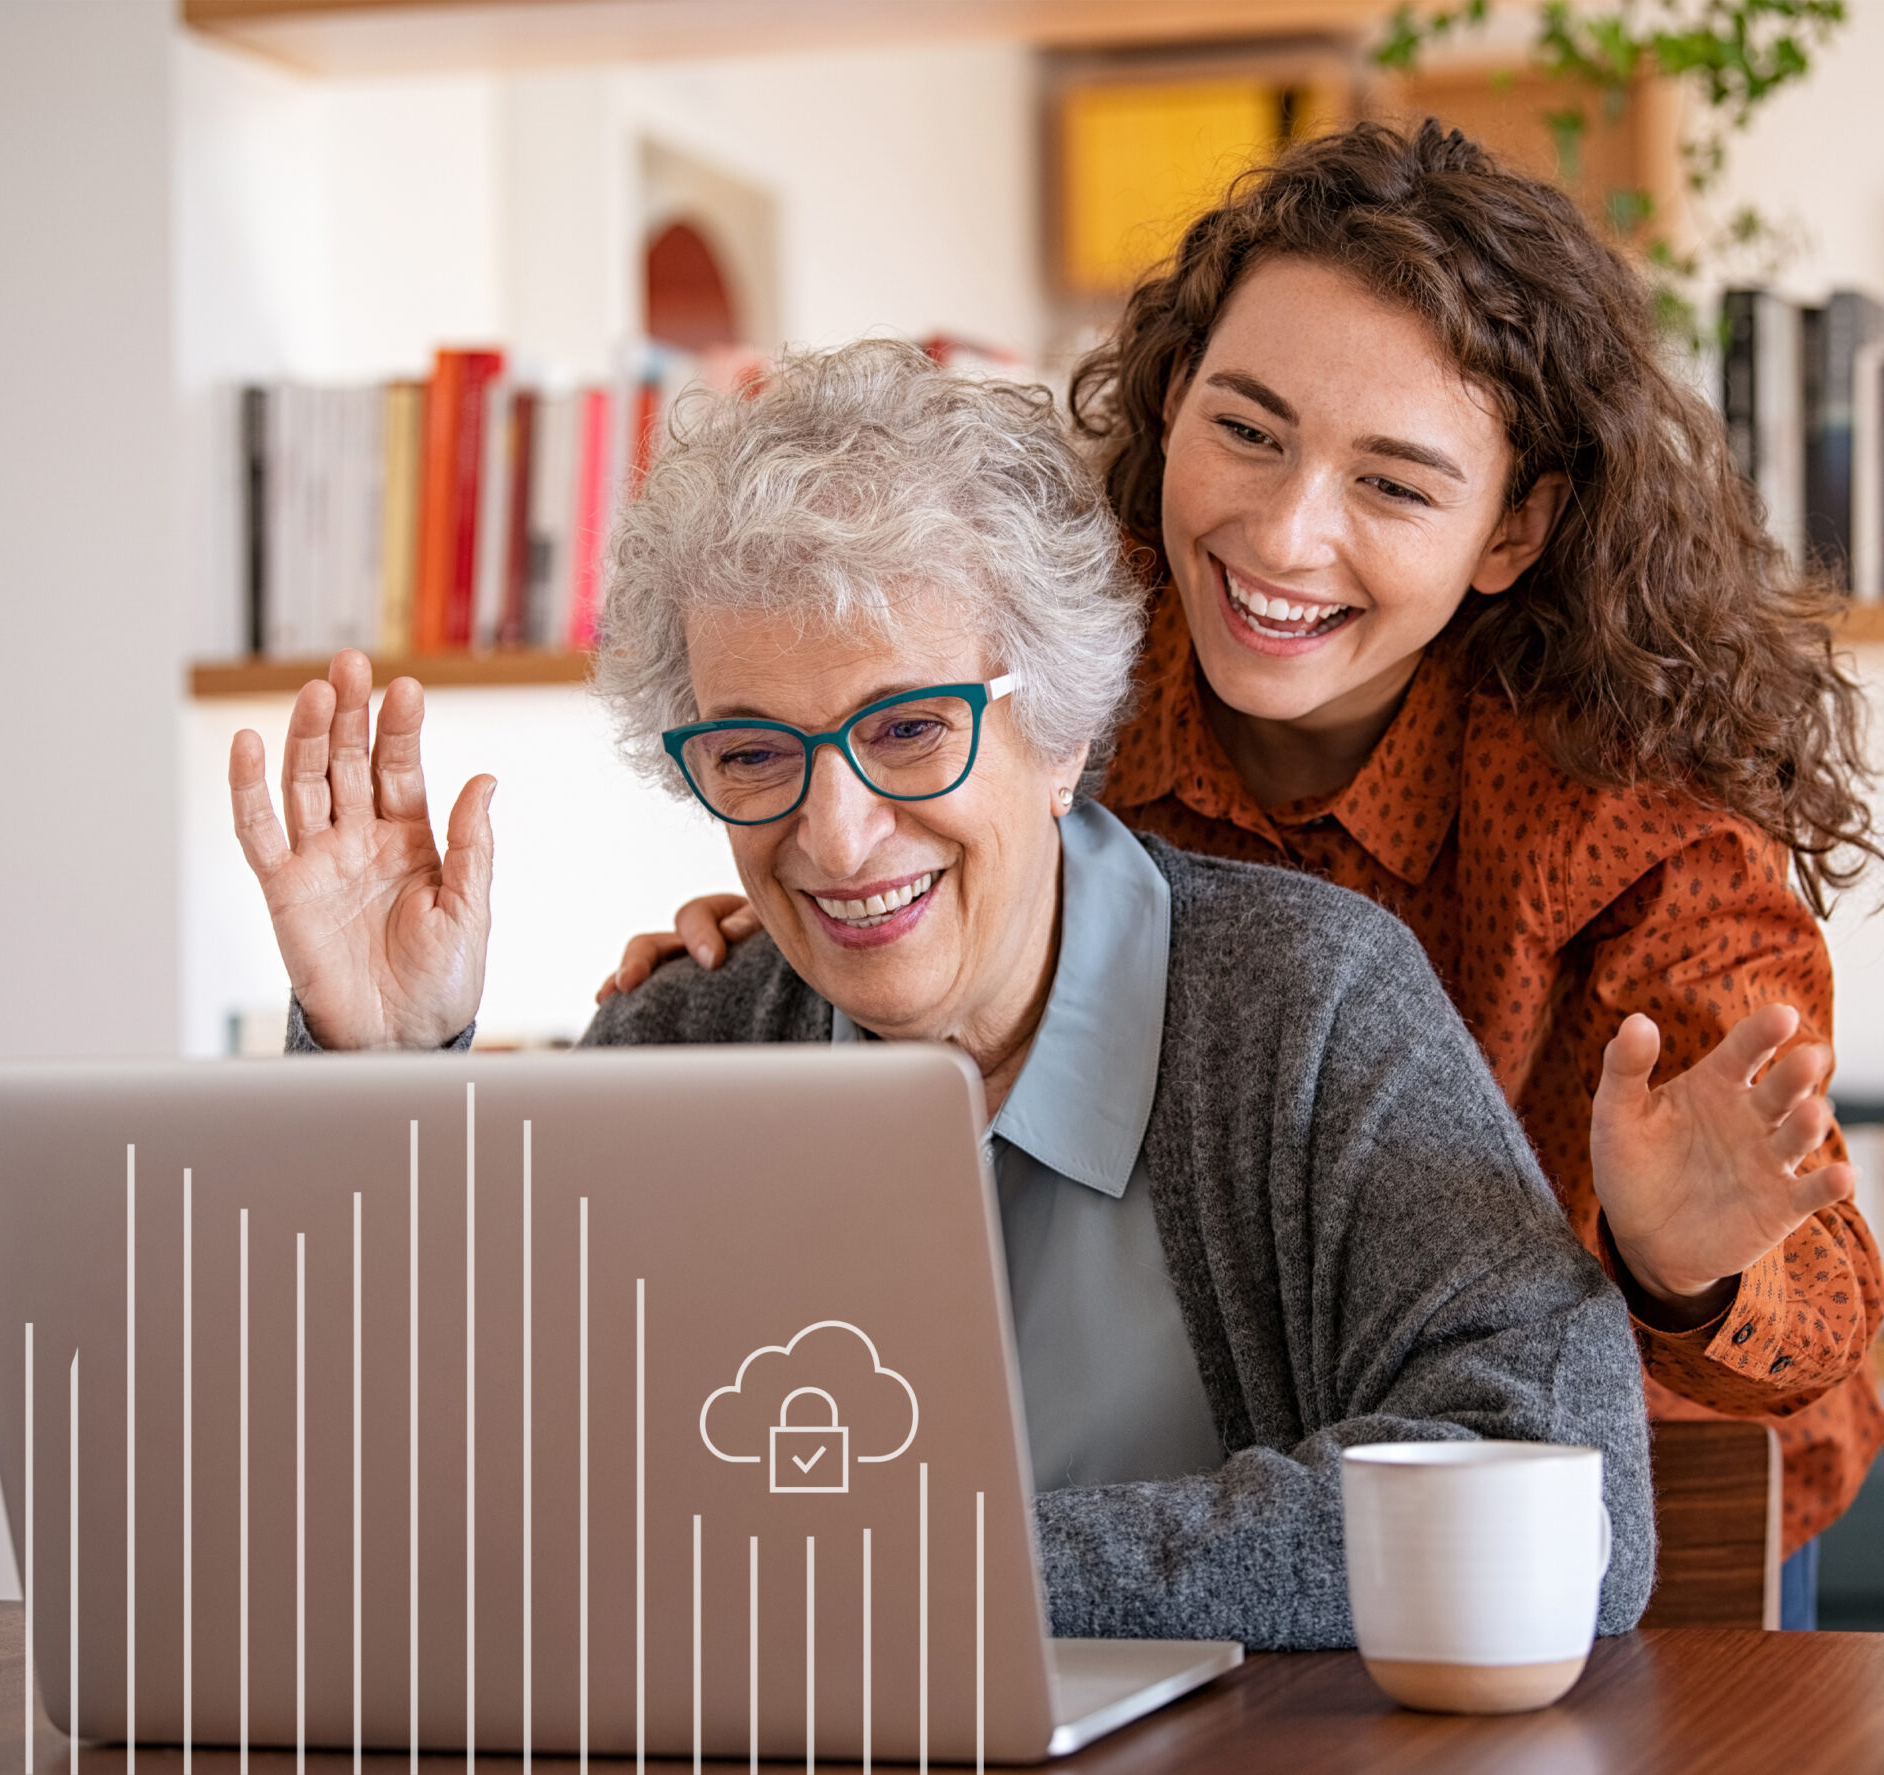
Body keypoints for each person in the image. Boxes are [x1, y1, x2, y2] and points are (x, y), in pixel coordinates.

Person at [605, 126, 1884, 1624]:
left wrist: (1680, 1269)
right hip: (1222, 1527)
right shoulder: (1077, 660)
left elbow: (1808, 1304)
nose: (1284, 533)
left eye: (1396, 486)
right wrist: (819, 911)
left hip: (1633, 1497)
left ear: (1511, 527)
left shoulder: (1631, 832)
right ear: (1169, 405)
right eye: (1249, 430)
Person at [230, 339, 1656, 1648]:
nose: (835, 837)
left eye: (911, 729)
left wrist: (940, 1572)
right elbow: (430, 1522)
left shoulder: (1307, 1004)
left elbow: (1559, 1499)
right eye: (751, 753)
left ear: (1061, 726)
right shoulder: (691, 1036)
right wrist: (382, 1071)